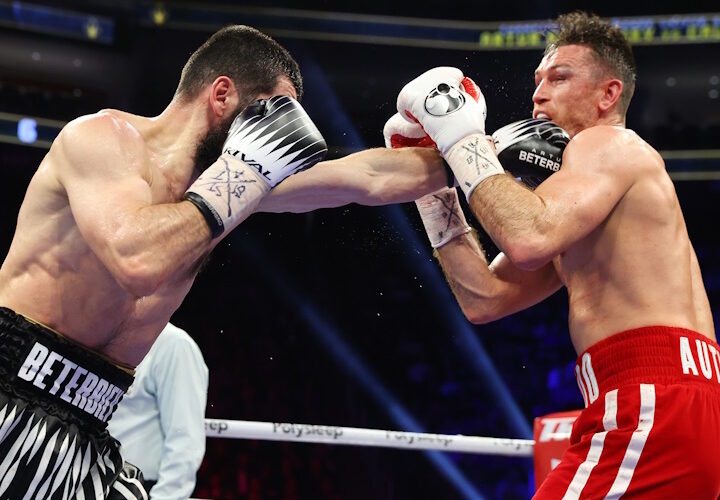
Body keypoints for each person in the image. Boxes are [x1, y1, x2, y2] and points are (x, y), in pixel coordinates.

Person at [0, 24, 452, 499]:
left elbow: (367, 176)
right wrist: (243, 172)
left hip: (87, 431)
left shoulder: (230, 183)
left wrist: (475, 153)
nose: (279, 134)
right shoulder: (101, 140)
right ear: (222, 95)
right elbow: (138, 260)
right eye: (272, 112)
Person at [394, 11, 720, 498]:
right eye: (538, 81)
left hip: (648, 400)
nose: (538, 95)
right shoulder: (585, 204)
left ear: (608, 94)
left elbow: (527, 238)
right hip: (679, 399)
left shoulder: (606, 144)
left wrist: (461, 140)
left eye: (559, 78)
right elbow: (484, 298)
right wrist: (434, 198)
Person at [108, 323, 208, 499]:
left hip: (141, 487)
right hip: (93, 482)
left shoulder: (175, 345)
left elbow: (185, 438)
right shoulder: (104, 334)